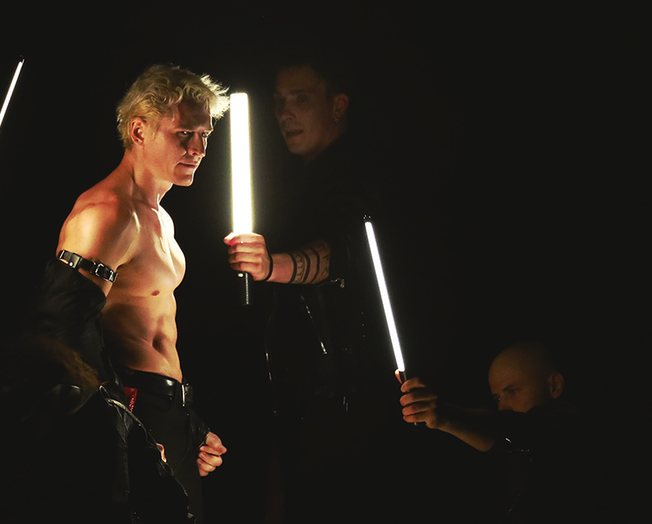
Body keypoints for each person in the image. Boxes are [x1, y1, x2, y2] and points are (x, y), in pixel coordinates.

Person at [224, 51, 396, 522]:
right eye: (279, 101)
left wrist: (272, 266)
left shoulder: (355, 174)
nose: (285, 113)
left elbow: (341, 252)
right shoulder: (300, 181)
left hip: (346, 395)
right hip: (301, 394)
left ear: (337, 104)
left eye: (300, 99)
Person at [54, 63, 230, 522]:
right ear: (139, 130)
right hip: (128, 411)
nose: (198, 149)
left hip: (165, 410)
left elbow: (152, 332)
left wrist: (187, 422)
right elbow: (61, 334)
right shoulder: (107, 213)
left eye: (204, 135)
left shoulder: (160, 217)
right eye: (184, 134)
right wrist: (124, 430)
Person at [399, 340, 606, 522]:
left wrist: (449, 415)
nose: (502, 406)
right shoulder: (515, 451)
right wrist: (445, 420)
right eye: (497, 398)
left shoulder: (573, 425)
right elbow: (503, 439)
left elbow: (524, 429)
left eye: (513, 391)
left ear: (555, 386)